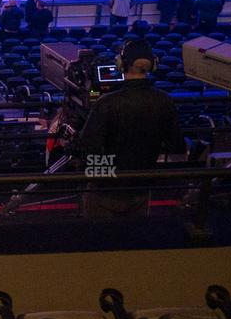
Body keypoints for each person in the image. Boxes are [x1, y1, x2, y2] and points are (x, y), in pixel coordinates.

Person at [77, 39, 186, 217]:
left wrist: (101, 176)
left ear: (121, 64)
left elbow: (89, 147)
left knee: (97, 236)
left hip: (106, 188)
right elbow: (177, 145)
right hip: (141, 184)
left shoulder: (107, 102)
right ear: (153, 65)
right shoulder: (164, 100)